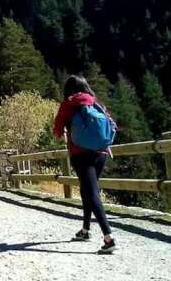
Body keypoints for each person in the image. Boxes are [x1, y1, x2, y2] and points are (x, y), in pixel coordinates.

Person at [53, 75, 117, 254]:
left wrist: (65, 130)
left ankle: (108, 238)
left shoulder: (68, 104)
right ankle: (85, 230)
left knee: (91, 191)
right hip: (101, 153)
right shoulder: (96, 103)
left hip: (80, 154)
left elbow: (57, 130)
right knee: (86, 189)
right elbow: (112, 126)